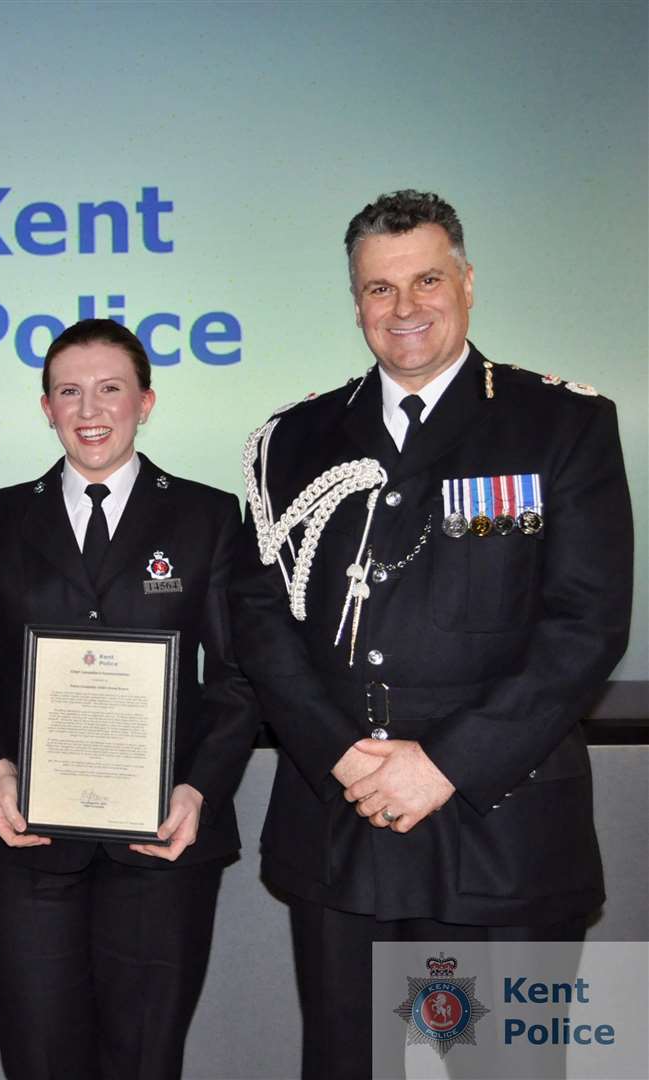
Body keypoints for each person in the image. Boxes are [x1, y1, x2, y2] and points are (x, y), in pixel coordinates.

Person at [232, 191, 633, 1079]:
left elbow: (586, 625)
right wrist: (339, 753)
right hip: (343, 815)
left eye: (424, 280)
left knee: (501, 1068)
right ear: (355, 302)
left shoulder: (559, 424)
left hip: (502, 823)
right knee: (348, 1062)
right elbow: (259, 618)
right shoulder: (291, 440)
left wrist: (442, 764)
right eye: (377, 289)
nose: (403, 308)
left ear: (466, 282)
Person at [0, 318, 257, 1079]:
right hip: (32, 834)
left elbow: (238, 676)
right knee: (38, 1049)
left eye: (110, 388)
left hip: (163, 835)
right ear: (46, 408)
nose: (90, 409)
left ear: (145, 402)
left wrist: (196, 790)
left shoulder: (206, 516)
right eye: (69, 391)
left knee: (146, 1053)